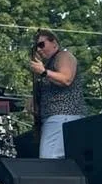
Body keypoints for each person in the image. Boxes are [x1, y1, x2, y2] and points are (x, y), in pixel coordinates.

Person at [29, 29, 85, 158]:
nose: (38, 49)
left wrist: (44, 72)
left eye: (41, 44)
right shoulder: (49, 63)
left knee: (49, 160)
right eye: (36, 46)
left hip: (62, 116)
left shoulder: (63, 56)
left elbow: (66, 79)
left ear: (54, 42)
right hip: (56, 118)